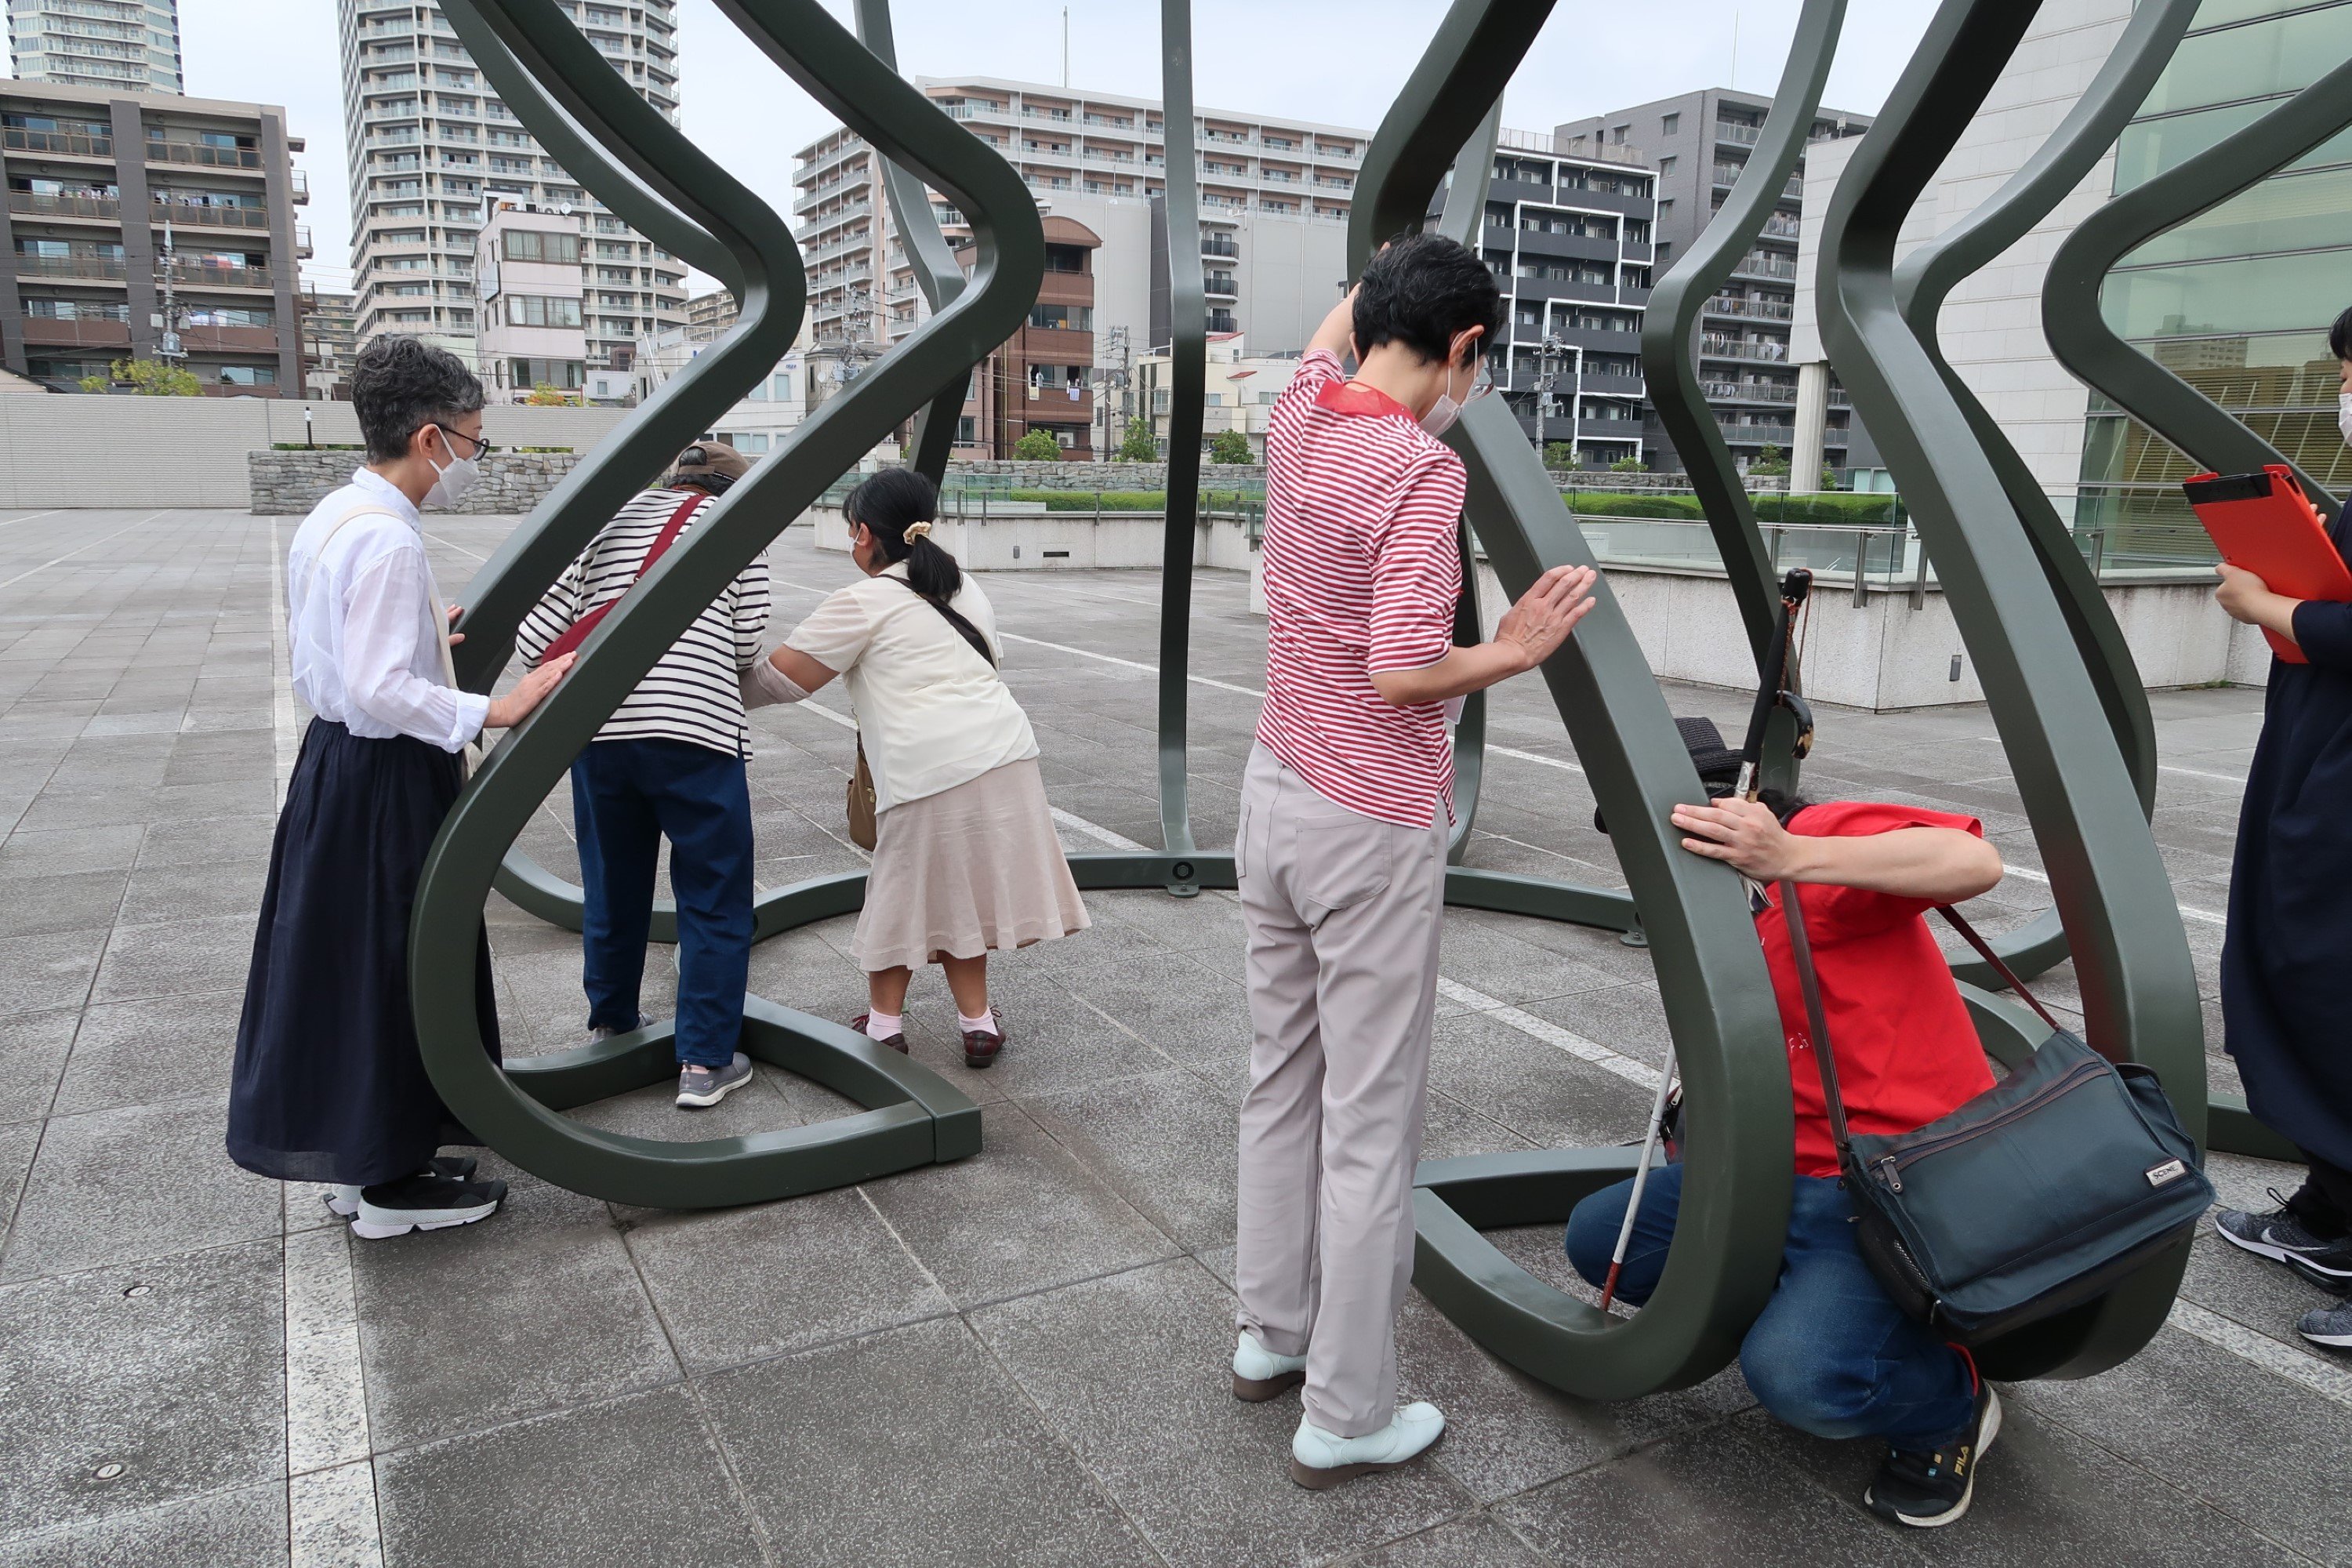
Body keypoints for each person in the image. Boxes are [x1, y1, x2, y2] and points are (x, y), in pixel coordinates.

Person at [1229, 232, 1599, 1490]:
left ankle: (1269, 1334)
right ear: (1466, 349)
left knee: (1279, 1081)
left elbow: (1337, 333)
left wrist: (1389, 275)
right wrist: (1514, 650)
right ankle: (1346, 1409)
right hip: (1370, 821)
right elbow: (1401, 669)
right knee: (1370, 1126)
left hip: (1273, 792)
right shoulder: (1418, 472)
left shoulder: (1297, 414)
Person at [1563, 754, 2009, 1530]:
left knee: (1802, 1378)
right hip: (1771, 1168)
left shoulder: (1806, 841)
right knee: (1605, 1241)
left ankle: (1949, 1402)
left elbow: (1975, 860)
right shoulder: (1707, 910)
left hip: (1892, 1176)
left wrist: (1791, 855)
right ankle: (1827, 1311)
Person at [227, 336, 574, 1240]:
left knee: (352, 965)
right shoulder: (386, 541)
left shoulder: (337, 514)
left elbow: (341, 652)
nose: (474, 455)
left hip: (338, 767)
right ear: (430, 439)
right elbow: (381, 687)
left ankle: (367, 1157)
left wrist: (426, 628)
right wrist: (494, 709)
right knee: (393, 964)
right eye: (473, 437)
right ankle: (388, 1184)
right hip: (385, 778)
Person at [748, 466, 1085, 1067]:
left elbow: (779, 680)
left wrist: (699, 678)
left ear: (861, 533)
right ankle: (978, 1023)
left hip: (929, 766)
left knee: (899, 892)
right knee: (964, 895)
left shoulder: (863, 600)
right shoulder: (962, 584)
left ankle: (883, 1027)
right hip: (1007, 755)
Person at [514, 441, 771, 1109]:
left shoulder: (611, 521)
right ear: (732, 489)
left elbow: (533, 638)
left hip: (599, 729)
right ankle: (705, 1061)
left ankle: (612, 1021)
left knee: (612, 881)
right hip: (697, 732)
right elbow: (745, 643)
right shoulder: (739, 532)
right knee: (714, 894)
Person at [2203, 303, 2352, 1352]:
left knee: (2337, 977)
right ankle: (2333, 1209)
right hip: (2315, 760)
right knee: (2303, 969)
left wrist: (2271, 609)